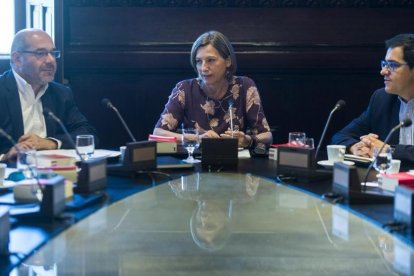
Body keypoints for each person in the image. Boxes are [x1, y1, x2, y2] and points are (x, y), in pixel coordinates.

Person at [153, 30, 272, 148]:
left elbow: (267, 136)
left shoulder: (245, 86)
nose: (203, 68)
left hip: (235, 162)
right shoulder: (184, 89)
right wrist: (197, 138)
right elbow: (158, 134)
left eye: (210, 60)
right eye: (199, 62)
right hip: (196, 161)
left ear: (228, 61)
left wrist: (248, 140)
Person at [0, 28, 97, 161]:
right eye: (41, 53)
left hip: (55, 172)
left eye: (53, 53)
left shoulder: (61, 93)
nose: (51, 60)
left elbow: (87, 134)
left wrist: (50, 143)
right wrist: (4, 157)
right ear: (17, 59)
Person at [331, 33, 414, 164]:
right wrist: (356, 147)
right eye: (384, 64)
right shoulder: (382, 99)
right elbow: (341, 136)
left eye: (392, 65)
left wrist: (389, 150)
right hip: (390, 182)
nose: (383, 71)